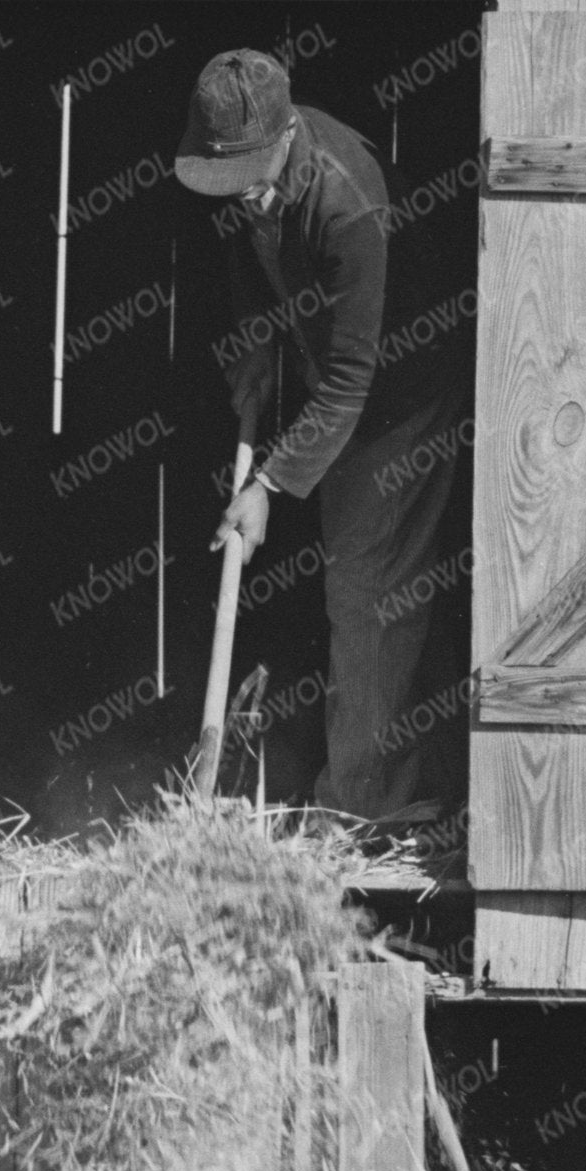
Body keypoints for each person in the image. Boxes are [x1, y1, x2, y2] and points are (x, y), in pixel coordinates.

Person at [173, 45, 469, 846]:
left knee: (369, 587)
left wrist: (266, 486)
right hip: (338, 371)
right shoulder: (250, 175)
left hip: (402, 389)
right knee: (384, 583)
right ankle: (426, 779)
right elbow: (248, 251)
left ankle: (361, 809)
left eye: (247, 180)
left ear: (283, 137)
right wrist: (254, 342)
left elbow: (348, 381)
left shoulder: (347, 207)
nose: (238, 196)